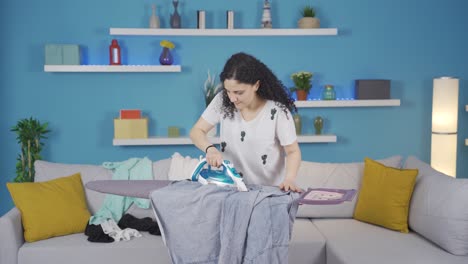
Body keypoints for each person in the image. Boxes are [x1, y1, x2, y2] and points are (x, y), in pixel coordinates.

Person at [190, 52, 302, 192]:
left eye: (239, 92)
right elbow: (196, 131)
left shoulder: (278, 112)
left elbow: (292, 151)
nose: (232, 98)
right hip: (231, 190)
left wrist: (289, 179)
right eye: (228, 91)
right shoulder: (222, 101)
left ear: (256, 85)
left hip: (267, 192)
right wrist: (210, 149)